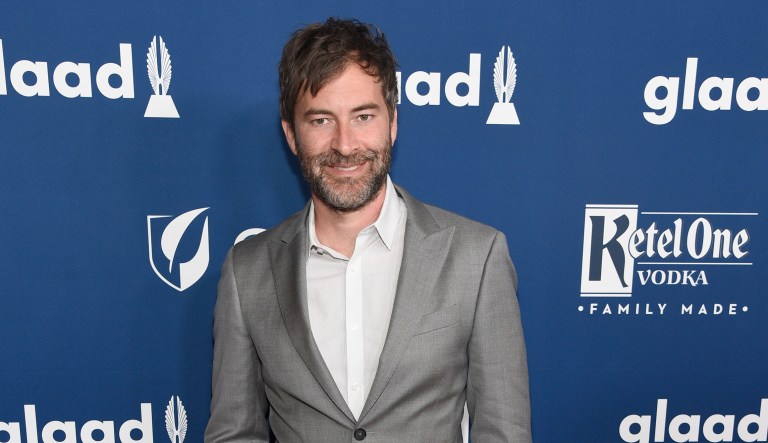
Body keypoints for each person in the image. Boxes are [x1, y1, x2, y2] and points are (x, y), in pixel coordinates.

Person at [205, 17, 531, 442]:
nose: (344, 144)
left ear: (392, 123)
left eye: (362, 116)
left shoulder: (477, 256)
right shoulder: (247, 271)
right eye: (321, 120)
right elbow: (234, 433)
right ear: (291, 135)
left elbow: (504, 433)